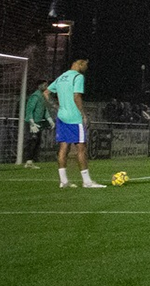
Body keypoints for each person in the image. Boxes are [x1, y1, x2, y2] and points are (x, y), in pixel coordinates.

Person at [47, 58, 105, 188]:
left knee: (63, 148)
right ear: (80, 67)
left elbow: (46, 93)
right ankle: (87, 182)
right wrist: (83, 115)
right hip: (74, 117)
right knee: (81, 149)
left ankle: (64, 181)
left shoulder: (62, 77)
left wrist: (55, 106)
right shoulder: (78, 77)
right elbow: (76, 96)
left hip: (61, 116)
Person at [21, 80, 52, 168]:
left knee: (37, 142)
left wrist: (49, 119)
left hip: (38, 123)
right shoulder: (35, 96)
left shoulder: (42, 96)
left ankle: (30, 161)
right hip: (33, 123)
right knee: (31, 141)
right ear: (39, 86)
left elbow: (44, 109)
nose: (46, 87)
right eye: (45, 85)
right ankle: (28, 161)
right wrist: (31, 122)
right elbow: (29, 109)